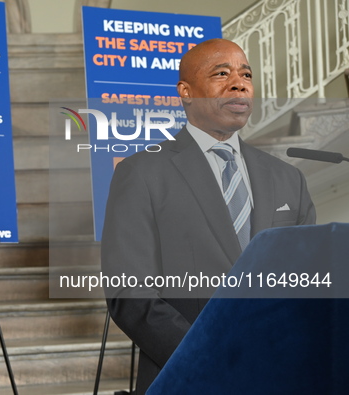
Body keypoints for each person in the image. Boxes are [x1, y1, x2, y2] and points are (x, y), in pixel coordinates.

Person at [101, 38, 316, 394]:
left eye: (246, 73)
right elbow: (130, 294)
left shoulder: (288, 179)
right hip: (191, 377)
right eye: (221, 73)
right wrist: (213, 355)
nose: (239, 82)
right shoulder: (141, 172)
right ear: (186, 92)